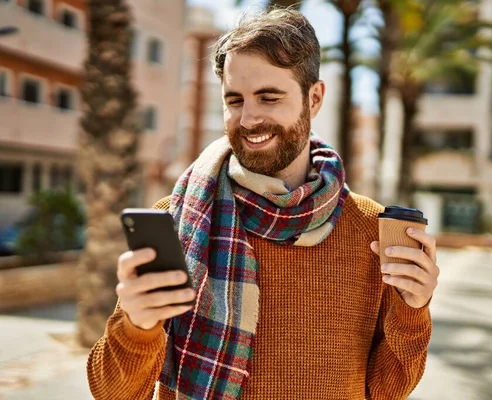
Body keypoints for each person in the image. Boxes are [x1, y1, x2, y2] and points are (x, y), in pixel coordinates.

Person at [87, 8, 439, 400]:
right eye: (234, 100)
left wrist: (413, 309)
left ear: (315, 98)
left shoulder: (368, 228)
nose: (249, 118)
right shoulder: (175, 219)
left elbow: (388, 390)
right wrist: (137, 324)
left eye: (269, 98)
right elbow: (112, 393)